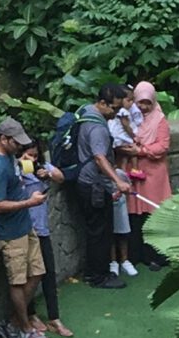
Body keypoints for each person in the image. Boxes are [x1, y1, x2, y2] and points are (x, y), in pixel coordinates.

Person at [0, 117, 50, 338]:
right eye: (16, 143)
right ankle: (25, 329)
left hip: (24, 224)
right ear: (3, 139)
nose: (20, 147)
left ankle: (15, 321)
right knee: (17, 282)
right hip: (10, 232)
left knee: (38, 271)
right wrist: (30, 203)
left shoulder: (7, 153)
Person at [72, 90, 131, 288]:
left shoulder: (85, 112)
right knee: (100, 231)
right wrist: (118, 181)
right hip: (93, 185)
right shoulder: (97, 128)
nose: (116, 112)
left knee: (95, 229)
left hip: (85, 180)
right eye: (114, 108)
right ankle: (98, 276)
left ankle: (93, 271)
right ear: (102, 103)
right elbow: (99, 157)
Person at [20, 142, 73, 338]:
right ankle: (30, 313)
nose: (32, 159)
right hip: (25, 230)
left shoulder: (42, 167)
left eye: (34, 155)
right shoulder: (16, 171)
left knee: (48, 272)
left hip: (41, 229)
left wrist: (46, 174)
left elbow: (61, 176)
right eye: (28, 155)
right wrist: (20, 165)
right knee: (29, 274)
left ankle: (54, 318)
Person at [125, 82, 173, 270]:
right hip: (134, 172)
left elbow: (163, 146)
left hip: (154, 175)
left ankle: (156, 256)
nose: (143, 107)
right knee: (135, 214)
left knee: (153, 214)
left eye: (147, 102)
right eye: (140, 102)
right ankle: (135, 254)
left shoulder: (159, 120)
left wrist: (141, 150)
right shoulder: (128, 117)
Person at [106, 97, 140, 279]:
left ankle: (125, 260)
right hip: (108, 205)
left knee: (123, 232)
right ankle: (113, 262)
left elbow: (127, 185)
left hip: (121, 207)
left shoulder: (121, 173)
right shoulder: (104, 173)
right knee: (111, 233)